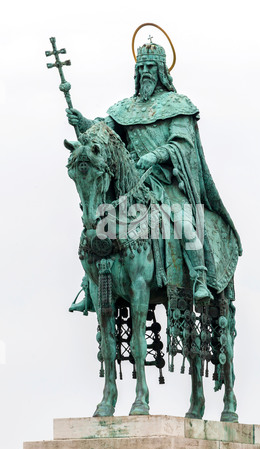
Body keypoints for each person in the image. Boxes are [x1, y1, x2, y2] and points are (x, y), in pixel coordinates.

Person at [67, 40, 242, 313]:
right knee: (100, 224)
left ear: (161, 70)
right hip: (132, 183)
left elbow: (182, 145)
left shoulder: (177, 105)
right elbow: (105, 133)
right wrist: (84, 123)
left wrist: (154, 156)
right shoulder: (124, 109)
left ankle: (199, 277)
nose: (145, 72)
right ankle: (90, 286)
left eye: (151, 66)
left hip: (166, 184)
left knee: (185, 223)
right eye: (141, 67)